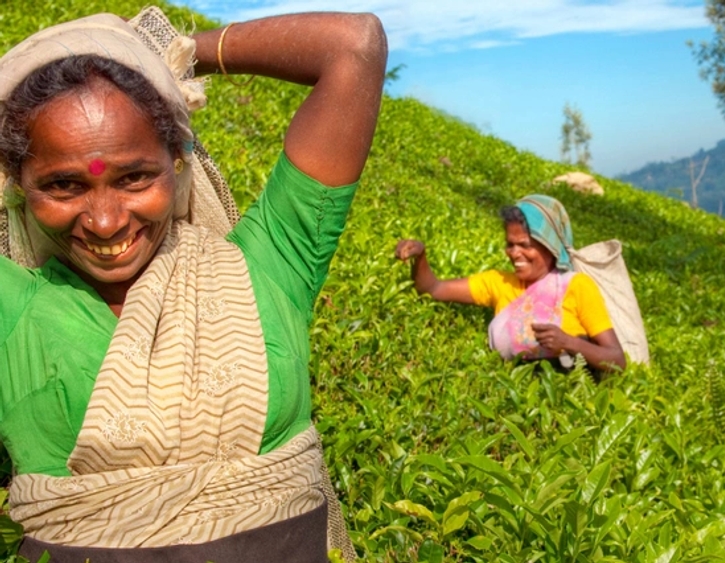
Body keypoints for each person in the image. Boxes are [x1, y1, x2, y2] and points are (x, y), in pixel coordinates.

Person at [0, 7, 386, 562]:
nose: (105, 222)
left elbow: (354, 45)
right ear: (19, 190)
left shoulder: (269, 267)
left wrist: (165, 53)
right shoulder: (17, 311)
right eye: (62, 185)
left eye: (135, 177)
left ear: (178, 163)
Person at [394, 194, 626, 372]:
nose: (514, 253)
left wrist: (568, 343)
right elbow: (433, 289)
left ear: (550, 245)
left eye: (525, 245)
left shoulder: (577, 286)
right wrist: (421, 256)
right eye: (510, 244)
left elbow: (616, 359)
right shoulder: (499, 282)